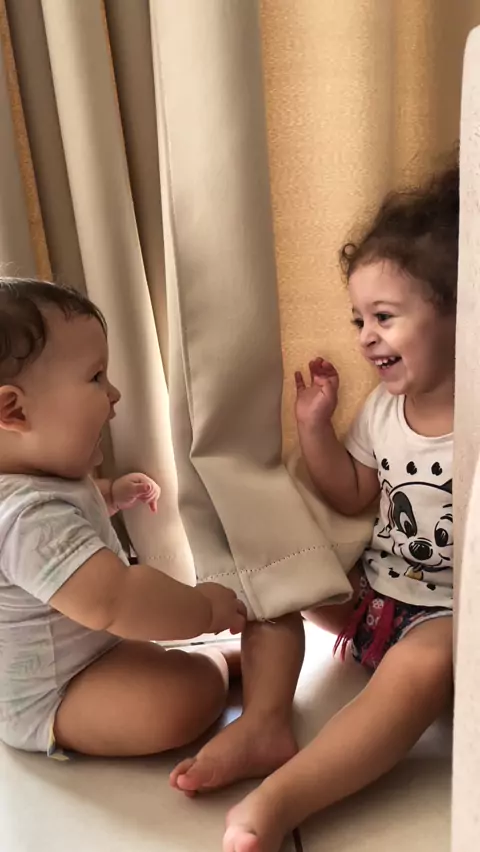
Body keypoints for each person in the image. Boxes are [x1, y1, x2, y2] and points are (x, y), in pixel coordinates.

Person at [174, 162, 458, 852]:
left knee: (422, 667)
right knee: (282, 572)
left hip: (447, 624)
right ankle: (261, 710)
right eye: (359, 319)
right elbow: (354, 492)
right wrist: (314, 430)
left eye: (384, 318)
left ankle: (282, 799)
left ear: (463, 310)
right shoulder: (385, 409)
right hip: (375, 602)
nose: (364, 337)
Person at [0, 278, 246, 758]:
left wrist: (110, 495)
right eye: (96, 377)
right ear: (14, 410)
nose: (113, 394)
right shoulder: (23, 516)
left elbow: (73, 522)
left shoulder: (44, 484)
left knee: (156, 664)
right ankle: (213, 665)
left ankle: (201, 662)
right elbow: (115, 597)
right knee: (178, 701)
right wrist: (204, 609)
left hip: (94, 652)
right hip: (54, 695)